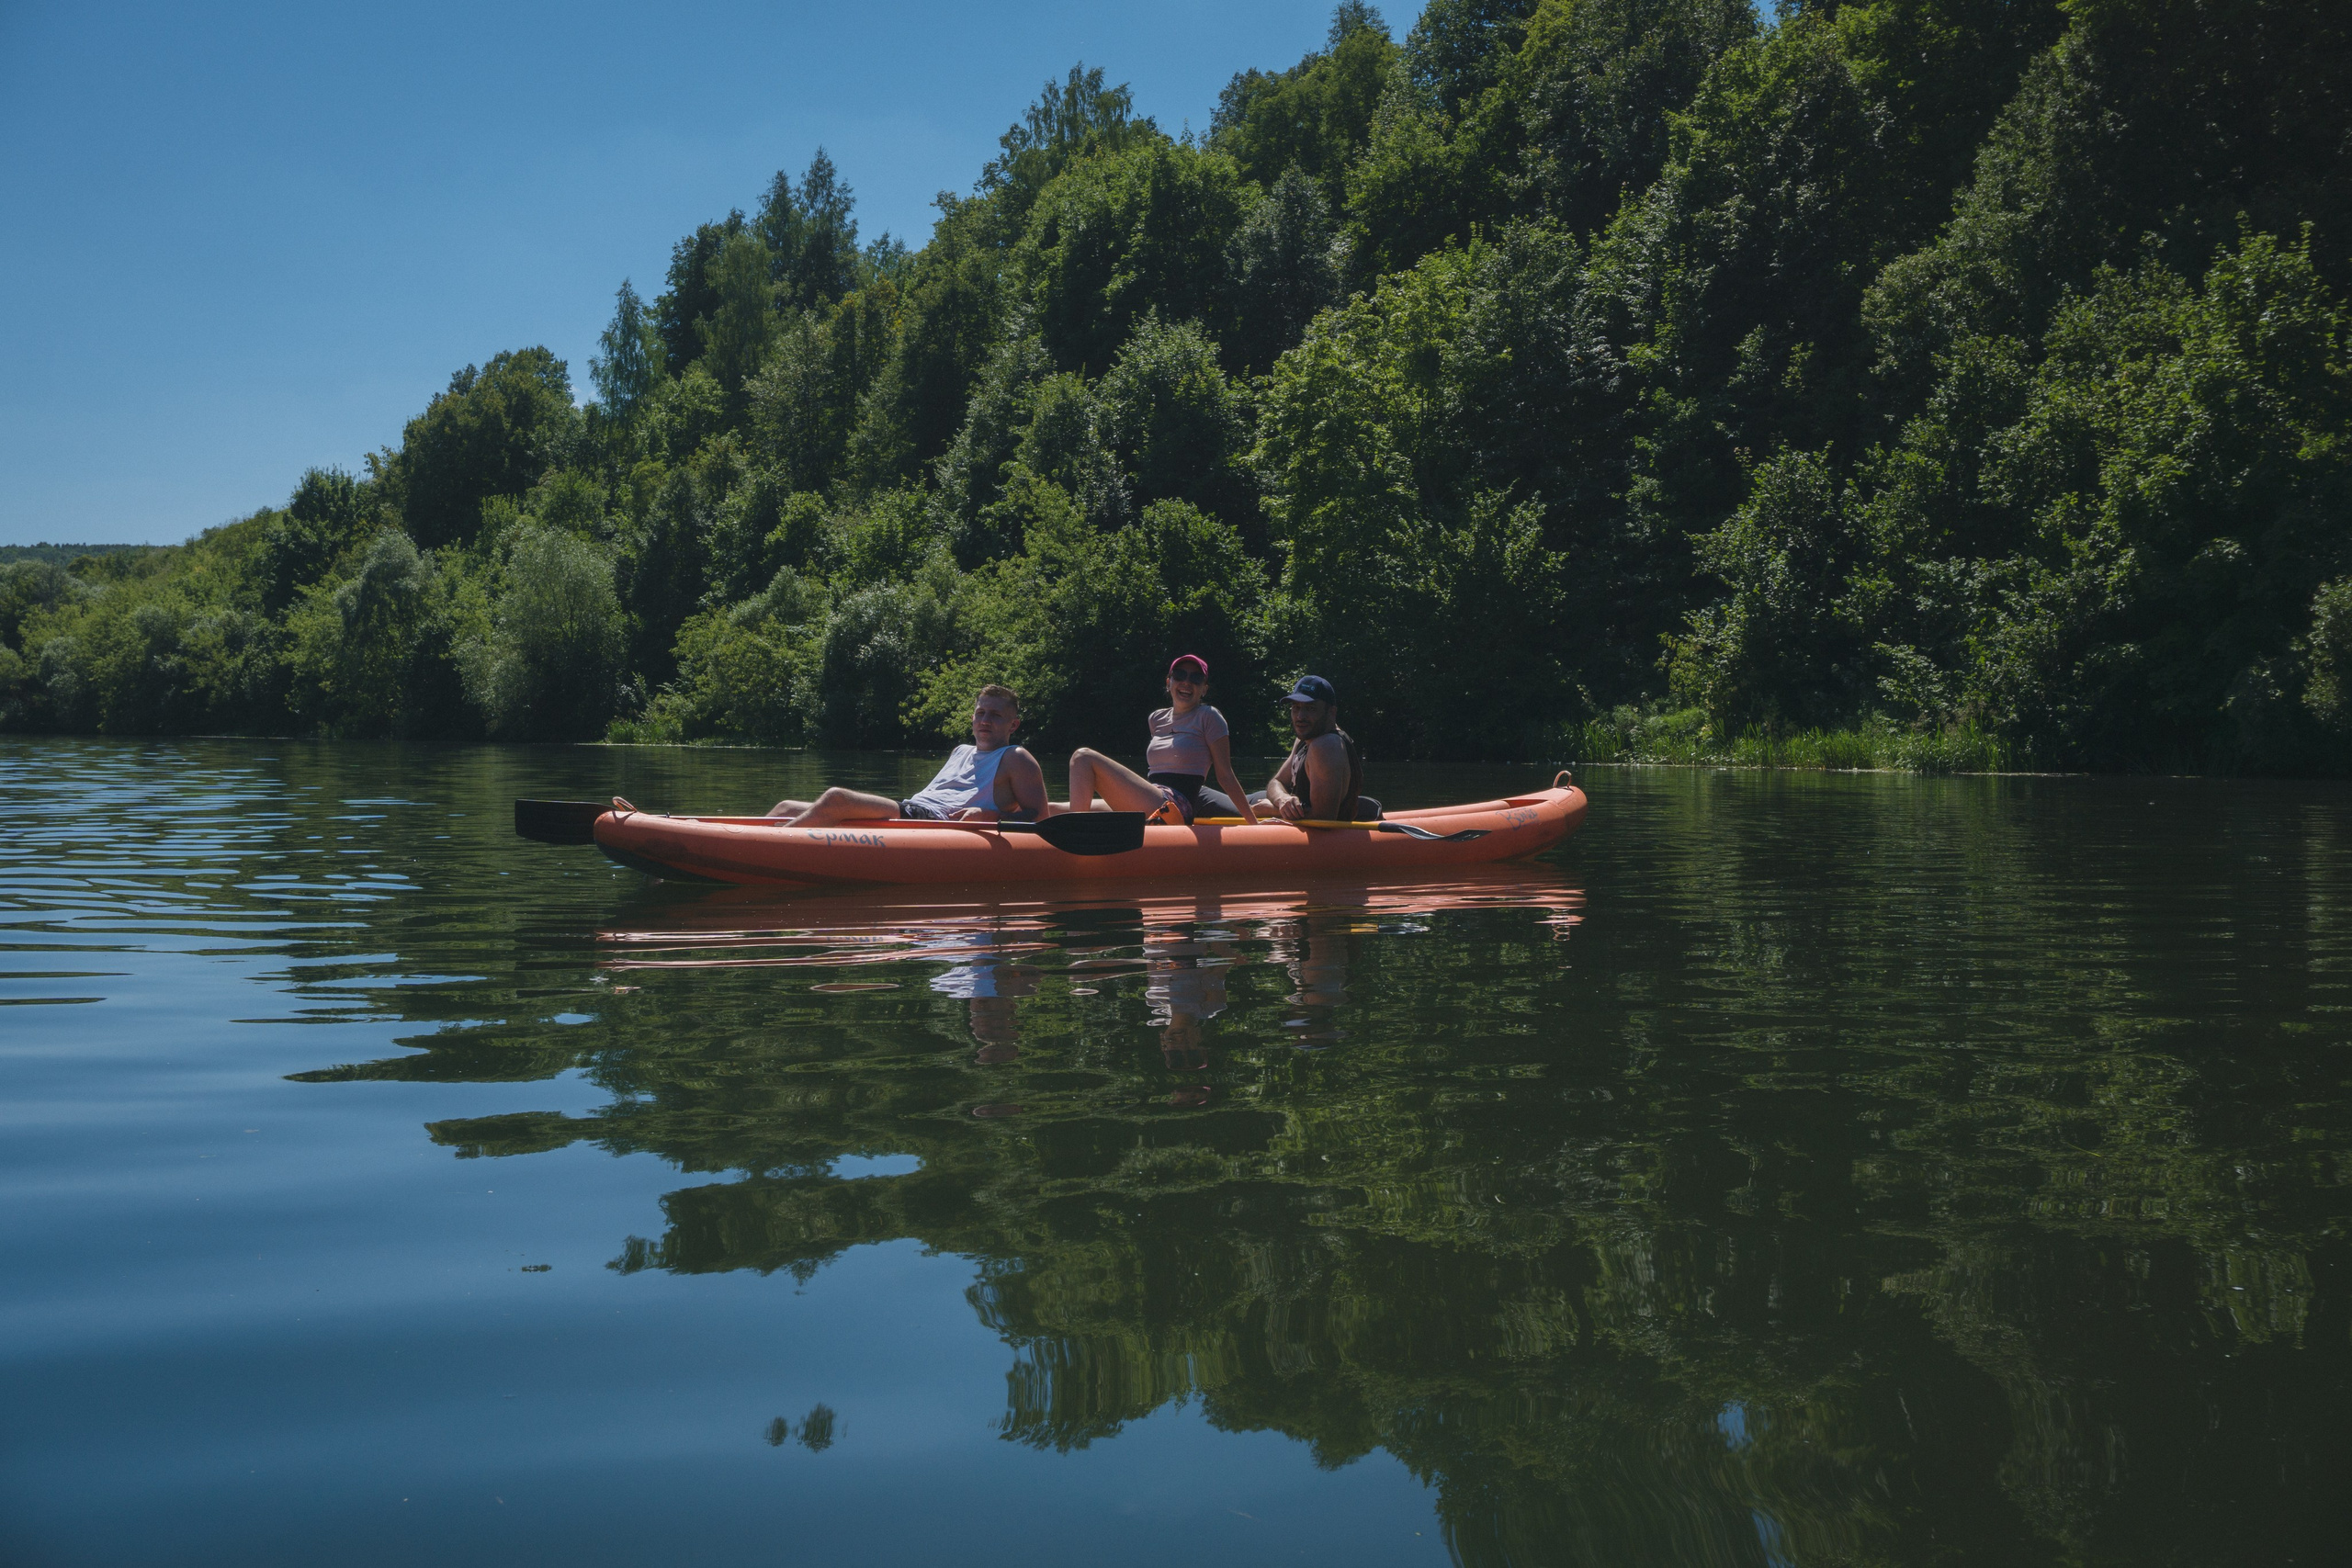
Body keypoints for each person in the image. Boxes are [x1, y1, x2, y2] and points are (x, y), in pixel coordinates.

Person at [764, 684, 1046, 828]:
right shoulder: (960, 751)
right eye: (980, 713)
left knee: (837, 798)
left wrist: (990, 816)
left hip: (935, 822)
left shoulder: (1015, 757)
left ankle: (768, 848)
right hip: (912, 811)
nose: (985, 720)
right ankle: (759, 844)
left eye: (995, 715)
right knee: (787, 806)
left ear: (1013, 725)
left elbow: (1040, 818)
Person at [1064, 655, 1260, 827]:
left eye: (1196, 678)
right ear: (1169, 682)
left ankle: (1077, 835)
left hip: (1175, 807)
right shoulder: (1156, 718)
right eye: (1179, 675)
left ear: (1204, 689)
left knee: (1083, 757)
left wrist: (1254, 824)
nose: (1186, 682)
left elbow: (1225, 775)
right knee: (1054, 808)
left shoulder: (1209, 716)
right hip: (1152, 797)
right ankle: (1061, 834)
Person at [1200, 673, 1383, 822]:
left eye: (1310, 709)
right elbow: (1276, 782)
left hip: (1309, 830)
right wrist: (1282, 800)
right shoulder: (1307, 738)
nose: (1300, 716)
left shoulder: (1326, 746)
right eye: (1296, 708)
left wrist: (1272, 810)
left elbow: (1325, 818)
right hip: (1272, 802)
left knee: (1199, 796)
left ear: (1331, 712)